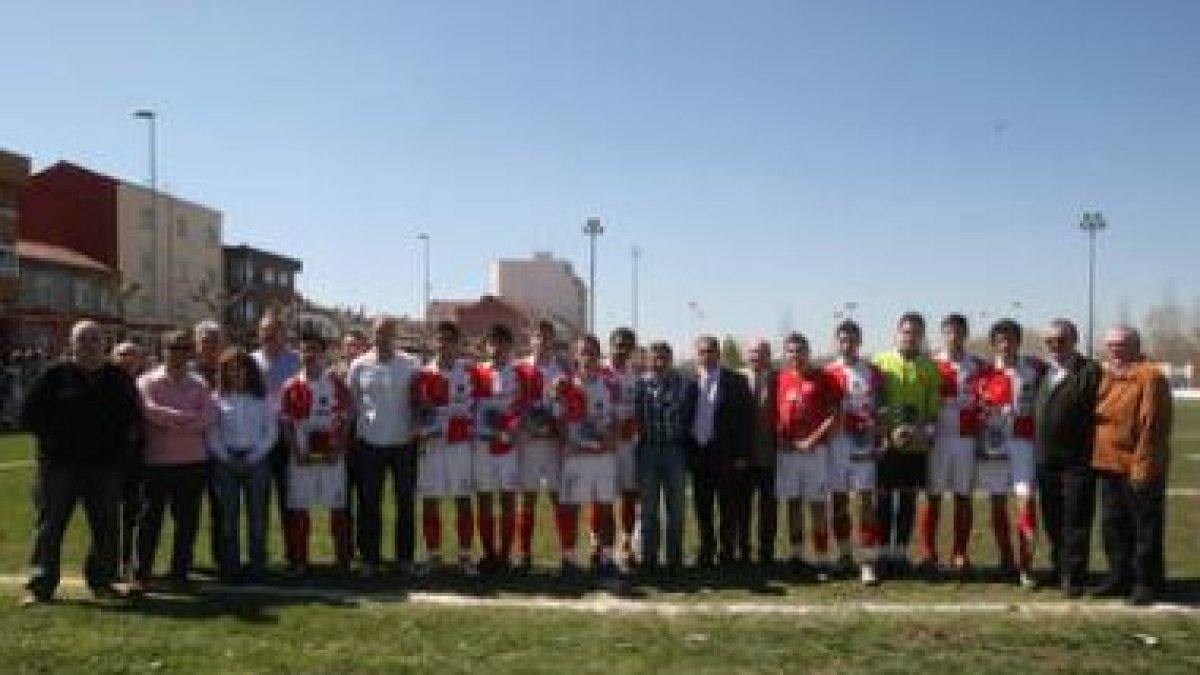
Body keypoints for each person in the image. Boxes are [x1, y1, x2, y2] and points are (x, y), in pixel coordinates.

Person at [20, 321, 143, 606]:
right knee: (50, 526)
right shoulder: (54, 375)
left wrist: (118, 448)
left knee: (106, 527)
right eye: (83, 339)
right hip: (59, 466)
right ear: (72, 344)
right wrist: (56, 439)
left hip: (105, 467)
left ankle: (102, 582)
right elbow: (29, 415)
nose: (89, 345)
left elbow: (132, 418)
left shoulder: (118, 378)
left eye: (95, 339)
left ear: (105, 344)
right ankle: (41, 585)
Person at [1091, 325, 1173, 606]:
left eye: (1121, 344)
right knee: (1114, 524)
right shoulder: (1108, 376)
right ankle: (1119, 575)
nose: (1115, 350)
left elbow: (1153, 427)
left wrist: (1143, 466)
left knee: (1144, 527)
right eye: (1110, 345)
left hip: (1138, 464)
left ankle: (1146, 581)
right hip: (1108, 463)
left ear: (1136, 346)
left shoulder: (1150, 377)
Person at [133, 330, 217, 592]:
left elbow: (209, 417)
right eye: (173, 347)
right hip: (157, 462)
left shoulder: (200, 383)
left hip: (192, 462)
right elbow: (148, 411)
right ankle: (142, 573)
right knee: (149, 521)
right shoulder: (146, 381)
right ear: (163, 350)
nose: (179, 352)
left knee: (187, 523)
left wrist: (171, 421)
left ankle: (180, 573)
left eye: (184, 348)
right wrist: (185, 418)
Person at [346, 316, 421, 577]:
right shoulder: (358, 366)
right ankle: (369, 559)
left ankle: (404, 559)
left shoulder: (411, 365)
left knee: (405, 504)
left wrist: (417, 430)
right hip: (370, 445)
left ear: (396, 335)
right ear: (372, 334)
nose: (383, 337)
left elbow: (420, 404)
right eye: (378, 332)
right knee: (369, 505)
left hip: (403, 444)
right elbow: (352, 406)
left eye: (388, 332)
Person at [974, 319, 1046, 588]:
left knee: (1026, 502)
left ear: (1019, 341)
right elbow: (975, 412)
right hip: (993, 447)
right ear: (994, 343)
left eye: (1011, 339)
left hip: (1024, 445)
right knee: (996, 504)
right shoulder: (983, 374)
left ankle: (1026, 566)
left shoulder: (1036, 369)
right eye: (1000, 340)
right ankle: (1006, 560)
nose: (1005, 344)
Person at [1035, 318, 1102, 597]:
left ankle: (1074, 576)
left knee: (1076, 519)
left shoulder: (1090, 371)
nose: (1055, 346)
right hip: (1046, 459)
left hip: (1078, 459)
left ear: (1074, 340)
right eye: (1050, 341)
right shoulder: (1045, 372)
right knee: (1052, 518)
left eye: (1061, 340)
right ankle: (1059, 567)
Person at [872, 312, 941, 578]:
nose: (909, 336)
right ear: (897, 332)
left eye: (915, 332)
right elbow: (875, 403)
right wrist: (888, 432)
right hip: (887, 444)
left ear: (921, 335)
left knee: (909, 501)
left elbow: (933, 409)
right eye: (905, 331)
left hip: (916, 446)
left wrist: (924, 433)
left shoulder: (929, 367)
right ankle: (882, 556)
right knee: (884, 502)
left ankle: (900, 555)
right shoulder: (880, 363)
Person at [922, 314, 989, 579]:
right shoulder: (930, 364)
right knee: (933, 497)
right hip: (937, 440)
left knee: (963, 497)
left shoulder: (978, 366)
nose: (954, 336)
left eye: (958, 332)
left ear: (965, 334)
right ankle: (929, 553)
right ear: (942, 334)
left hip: (965, 440)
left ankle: (960, 552)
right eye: (948, 331)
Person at [280, 332, 353, 575]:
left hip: (332, 459)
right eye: (304, 350)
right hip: (301, 458)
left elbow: (345, 421)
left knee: (338, 509)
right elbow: (287, 425)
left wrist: (339, 449)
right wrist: (295, 451)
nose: (309, 355)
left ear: (324, 353)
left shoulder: (336, 383)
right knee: (300, 509)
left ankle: (342, 561)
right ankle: (301, 560)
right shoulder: (290, 386)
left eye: (314, 350)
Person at [411, 321, 479, 577]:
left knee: (463, 500)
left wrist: (455, 429)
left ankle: (465, 555)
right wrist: (423, 428)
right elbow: (417, 413)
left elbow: (476, 411)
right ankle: (432, 554)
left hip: (460, 448)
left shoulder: (470, 373)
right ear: (433, 342)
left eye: (449, 340)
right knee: (431, 501)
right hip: (432, 448)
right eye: (440, 340)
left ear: (457, 344)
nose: (444, 345)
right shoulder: (422, 375)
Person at [557, 334, 623, 586]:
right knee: (570, 508)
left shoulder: (611, 384)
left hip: (603, 457)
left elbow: (617, 419)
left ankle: (606, 560)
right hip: (575, 457)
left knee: (605, 508)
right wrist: (569, 440)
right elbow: (558, 419)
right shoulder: (565, 385)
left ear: (599, 354)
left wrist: (612, 439)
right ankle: (569, 560)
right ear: (576, 356)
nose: (588, 357)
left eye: (592, 352)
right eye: (583, 352)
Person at [207, 347, 276, 582]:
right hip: (225, 463)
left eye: (241, 369)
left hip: (256, 462)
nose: (236, 374)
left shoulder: (263, 397)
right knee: (228, 517)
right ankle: (231, 565)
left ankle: (257, 564)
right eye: (230, 370)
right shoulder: (216, 398)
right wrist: (227, 459)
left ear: (250, 371)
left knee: (257, 518)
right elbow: (212, 433)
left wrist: (253, 457)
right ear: (224, 373)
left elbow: (271, 432)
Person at [824, 322, 885, 585]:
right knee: (838, 502)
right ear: (836, 342)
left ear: (859, 341)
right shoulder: (827, 372)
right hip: (836, 445)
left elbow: (882, 407)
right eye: (842, 340)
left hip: (863, 445)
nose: (846, 345)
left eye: (851, 340)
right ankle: (845, 554)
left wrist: (881, 436)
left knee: (865, 502)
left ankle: (868, 562)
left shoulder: (872, 371)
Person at [776, 332, 839, 580]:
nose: (795, 355)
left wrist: (812, 440)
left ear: (808, 352)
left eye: (800, 350)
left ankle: (822, 558)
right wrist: (784, 440)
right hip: (789, 453)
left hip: (815, 451)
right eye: (790, 351)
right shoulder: (781, 379)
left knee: (817, 505)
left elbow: (834, 415)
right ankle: (796, 556)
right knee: (792, 504)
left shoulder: (823, 377)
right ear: (786, 354)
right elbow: (777, 416)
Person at [687, 334, 754, 568]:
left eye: (711, 351)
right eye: (702, 352)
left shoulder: (736, 381)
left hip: (726, 454)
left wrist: (743, 455)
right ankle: (706, 550)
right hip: (699, 453)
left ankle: (727, 552)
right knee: (702, 507)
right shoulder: (689, 382)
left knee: (728, 508)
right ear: (696, 355)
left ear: (718, 354)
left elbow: (747, 421)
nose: (707, 356)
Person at [470, 323, 531, 573]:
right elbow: (469, 406)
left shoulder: (519, 374)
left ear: (509, 346)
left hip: (507, 445)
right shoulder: (475, 372)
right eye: (492, 343)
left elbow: (524, 405)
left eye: (502, 343)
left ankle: (505, 555)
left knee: (507, 499)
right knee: (484, 498)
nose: (496, 348)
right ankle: (489, 554)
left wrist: (513, 427)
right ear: (486, 346)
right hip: (483, 446)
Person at [635, 342, 697, 574]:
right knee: (649, 509)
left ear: (670, 360)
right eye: (655, 358)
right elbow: (635, 415)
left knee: (676, 509)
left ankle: (674, 558)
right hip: (648, 451)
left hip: (674, 452)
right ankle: (649, 558)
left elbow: (690, 418)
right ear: (648, 360)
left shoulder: (685, 385)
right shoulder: (640, 384)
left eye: (663, 358)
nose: (659, 363)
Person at [515, 320, 568, 572]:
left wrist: (559, 423)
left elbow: (572, 406)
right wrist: (527, 425)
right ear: (531, 339)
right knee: (528, 499)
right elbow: (513, 405)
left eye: (547, 337)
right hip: (529, 443)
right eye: (538, 336)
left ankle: (566, 554)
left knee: (559, 498)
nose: (543, 341)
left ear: (553, 340)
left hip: (555, 444)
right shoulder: (519, 369)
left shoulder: (564, 370)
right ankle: (524, 553)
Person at [251, 313, 302, 566]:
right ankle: (258, 555)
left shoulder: (296, 362)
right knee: (258, 500)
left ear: (283, 333)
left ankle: (292, 553)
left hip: (287, 439)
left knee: (289, 500)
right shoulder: (250, 362)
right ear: (259, 333)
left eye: (274, 330)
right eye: (264, 330)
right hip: (258, 440)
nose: (268, 335)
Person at [110, 341, 148, 581]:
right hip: (108, 462)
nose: (128, 358)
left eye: (133, 354)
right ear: (114, 357)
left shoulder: (145, 385)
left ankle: (129, 564)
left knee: (133, 516)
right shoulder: (104, 384)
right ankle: (108, 565)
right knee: (107, 516)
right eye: (123, 354)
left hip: (138, 462)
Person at [740, 338, 778, 567]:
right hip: (742, 457)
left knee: (769, 509)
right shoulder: (736, 379)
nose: (756, 356)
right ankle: (743, 552)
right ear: (746, 355)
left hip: (770, 455)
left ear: (769, 355)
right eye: (752, 352)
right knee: (742, 508)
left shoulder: (779, 379)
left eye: (761, 352)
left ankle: (766, 553)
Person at [606, 327, 642, 568]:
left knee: (629, 495)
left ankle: (627, 543)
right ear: (610, 346)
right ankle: (601, 545)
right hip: (603, 445)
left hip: (628, 445)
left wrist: (635, 423)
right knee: (603, 497)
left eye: (626, 346)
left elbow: (642, 408)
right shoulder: (597, 371)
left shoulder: (637, 376)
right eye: (617, 345)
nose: (621, 350)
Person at [193, 319, 225, 574]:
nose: (211, 346)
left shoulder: (229, 371)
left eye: (215, 341)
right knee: (189, 510)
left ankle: (221, 557)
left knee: (221, 509)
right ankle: (185, 557)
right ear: (197, 344)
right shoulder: (189, 372)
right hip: (190, 451)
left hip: (221, 451)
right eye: (206, 341)